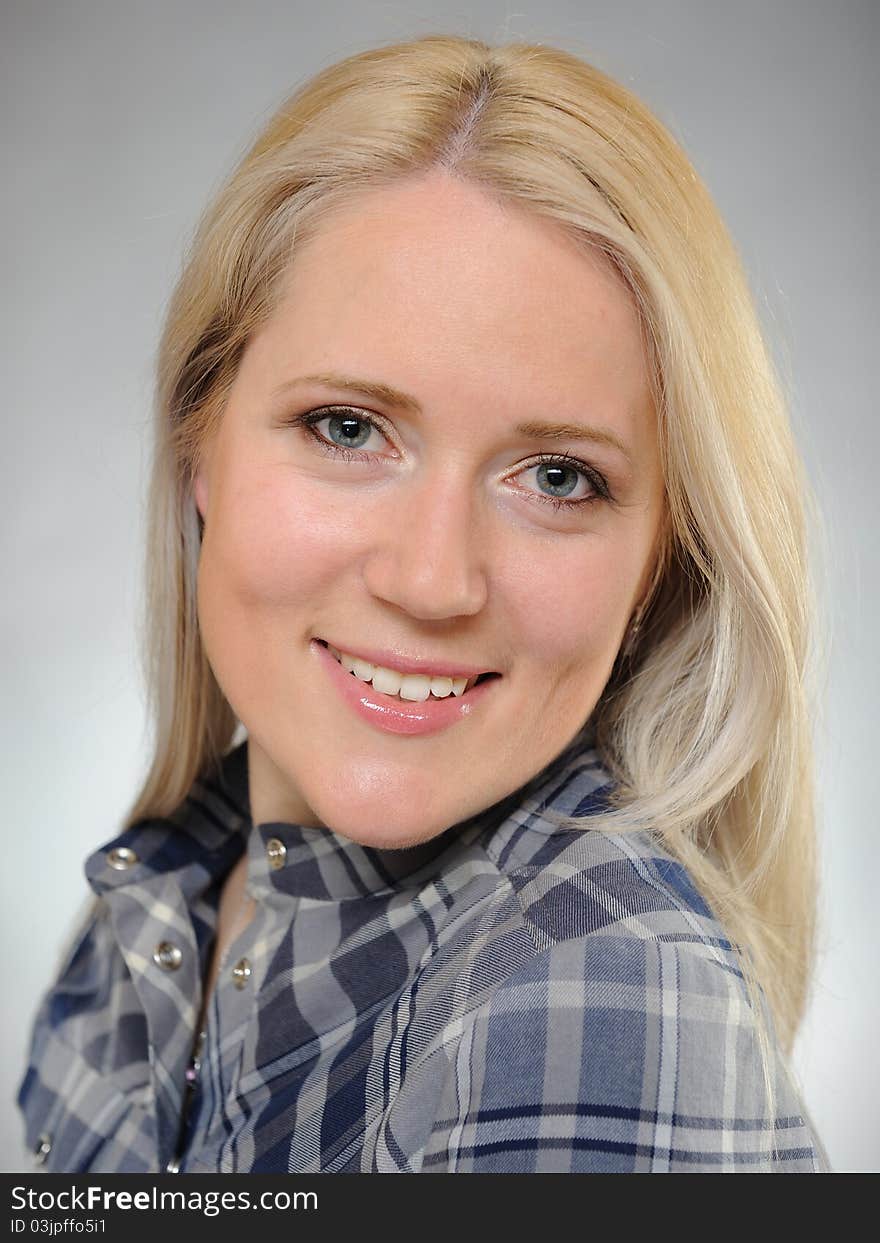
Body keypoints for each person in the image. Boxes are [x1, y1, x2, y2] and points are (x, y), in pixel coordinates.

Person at [18, 32, 830, 1174]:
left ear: (661, 561)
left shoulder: (592, 991)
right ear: (199, 443)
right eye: (348, 428)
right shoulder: (160, 898)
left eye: (558, 477)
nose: (431, 578)